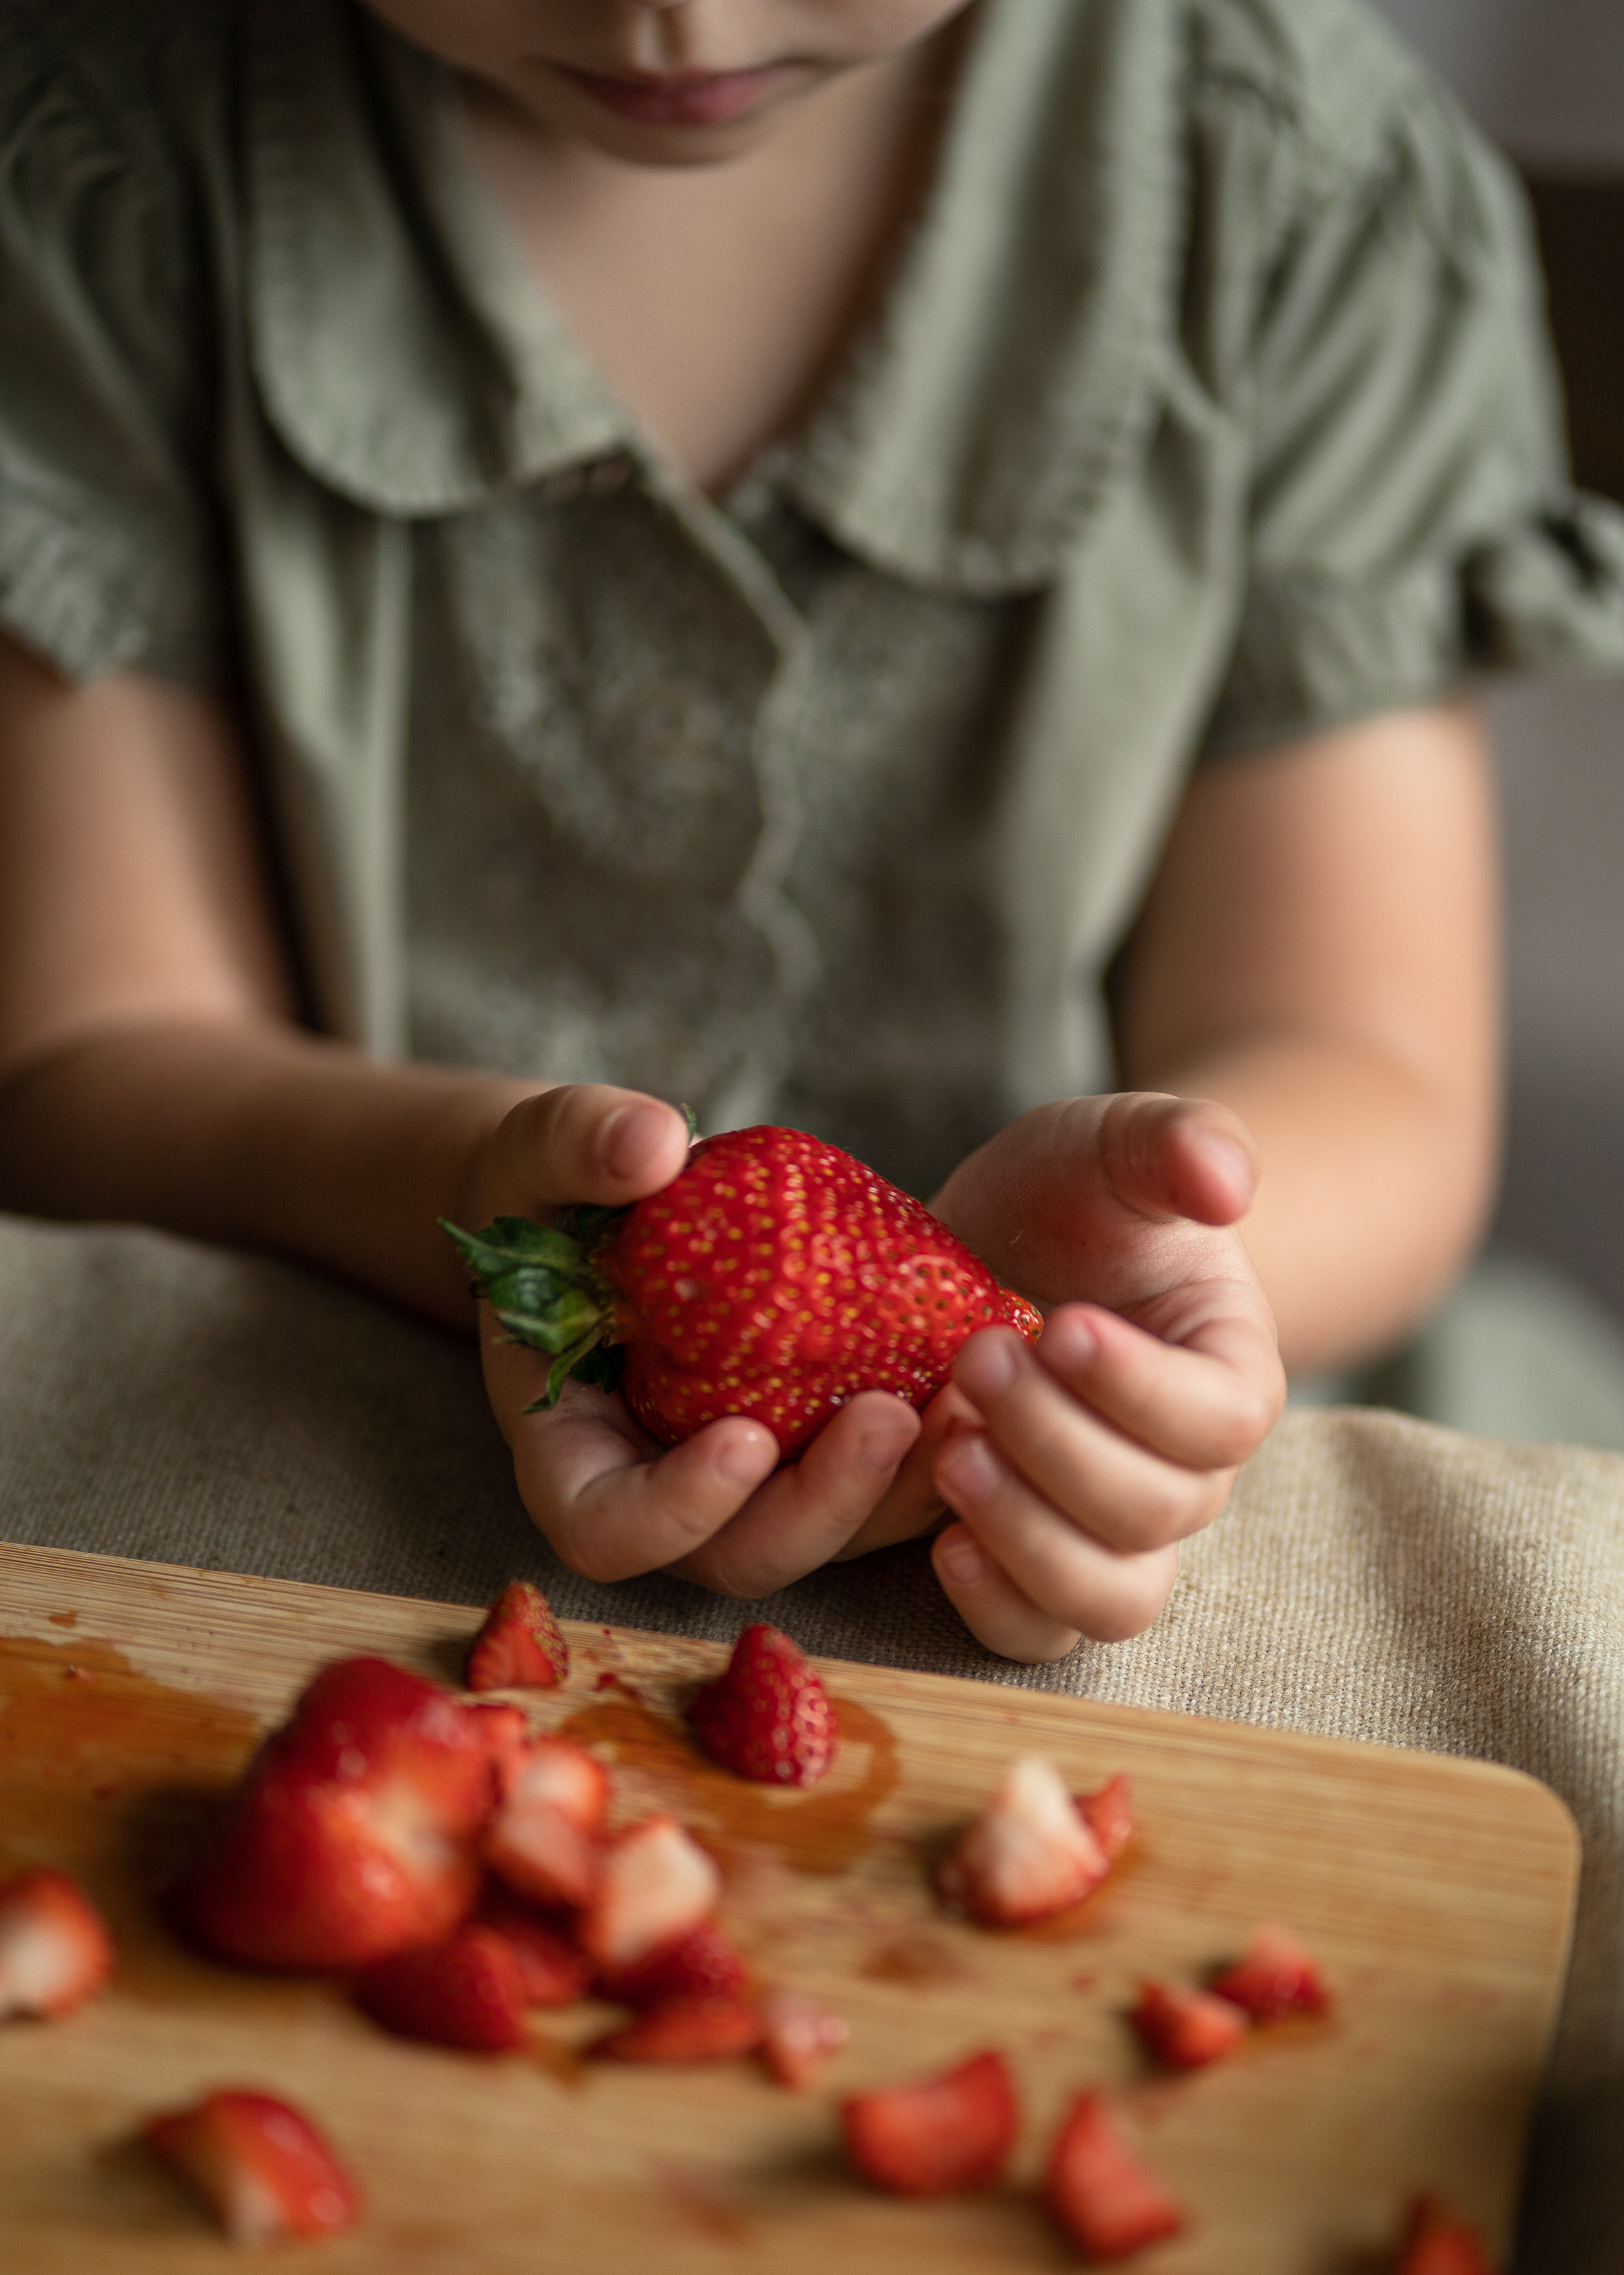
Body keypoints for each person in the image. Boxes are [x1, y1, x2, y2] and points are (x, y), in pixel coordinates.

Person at [1, 0, 1621, 1665]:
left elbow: (1374, 1069)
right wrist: (499, 1208)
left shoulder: (1298, 196)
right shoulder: (93, 178)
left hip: (1145, 1487)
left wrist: (1115, 1310)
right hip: (333, 1400)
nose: (668, 17)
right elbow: (91, 1061)